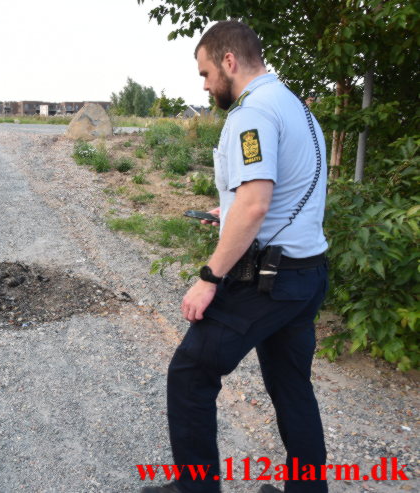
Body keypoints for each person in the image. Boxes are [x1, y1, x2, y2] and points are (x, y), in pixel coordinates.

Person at [142, 21, 329, 493]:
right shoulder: (295, 107)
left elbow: (257, 203)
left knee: (190, 373)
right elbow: (275, 193)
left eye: (206, 73)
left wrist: (210, 276)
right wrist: (226, 212)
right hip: (306, 274)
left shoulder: (252, 114)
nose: (204, 85)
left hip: (269, 280)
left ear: (229, 61)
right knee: (292, 390)